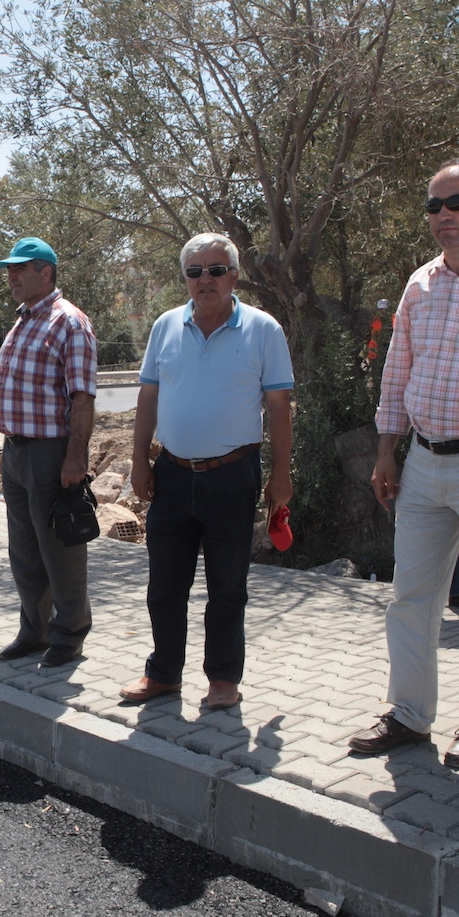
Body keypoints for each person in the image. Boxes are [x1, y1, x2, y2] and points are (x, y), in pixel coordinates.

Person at [347, 161, 459, 769]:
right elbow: (398, 372)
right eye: (434, 206)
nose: (444, 216)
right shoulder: (420, 283)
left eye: (458, 203)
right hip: (422, 460)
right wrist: (387, 452)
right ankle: (409, 715)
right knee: (411, 598)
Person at [117, 234, 292, 711]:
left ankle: (222, 680)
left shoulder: (263, 330)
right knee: (165, 586)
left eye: (216, 270)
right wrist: (139, 460)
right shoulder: (165, 327)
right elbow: (148, 398)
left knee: (227, 587)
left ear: (234, 276)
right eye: (195, 272)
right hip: (171, 475)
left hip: (232, 478)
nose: (205, 280)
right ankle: (163, 675)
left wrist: (281, 475)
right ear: (185, 279)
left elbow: (279, 409)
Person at [0, 237, 98, 668]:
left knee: (60, 549)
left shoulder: (69, 322)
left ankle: (69, 635)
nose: (12, 276)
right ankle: (33, 633)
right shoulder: (23, 321)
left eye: (20, 268)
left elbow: (83, 398)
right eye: (9, 270)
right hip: (15, 452)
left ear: (46, 272)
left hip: (49, 453)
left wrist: (75, 458)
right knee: (25, 550)